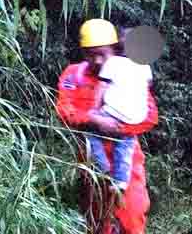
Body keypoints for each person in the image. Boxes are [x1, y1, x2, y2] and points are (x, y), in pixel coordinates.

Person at [56, 19, 158, 234]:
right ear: (83, 53)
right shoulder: (74, 75)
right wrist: (93, 120)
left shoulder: (129, 73)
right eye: (90, 54)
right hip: (92, 158)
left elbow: (149, 116)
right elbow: (64, 109)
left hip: (127, 158)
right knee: (98, 219)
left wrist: (118, 128)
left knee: (132, 214)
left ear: (115, 49)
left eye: (103, 53)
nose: (97, 60)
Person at [86, 47, 153, 193]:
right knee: (125, 145)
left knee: (90, 135)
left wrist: (95, 114)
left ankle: (101, 167)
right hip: (134, 118)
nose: (98, 61)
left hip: (112, 115)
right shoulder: (144, 66)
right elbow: (147, 89)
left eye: (101, 54)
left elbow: (101, 88)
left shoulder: (113, 63)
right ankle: (121, 180)